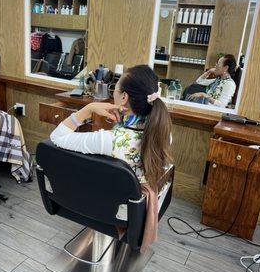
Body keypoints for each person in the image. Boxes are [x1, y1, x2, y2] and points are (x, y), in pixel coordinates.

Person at [50, 65, 172, 250]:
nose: (113, 91)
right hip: (134, 207)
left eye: (115, 87)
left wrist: (88, 108)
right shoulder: (162, 132)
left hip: (103, 206)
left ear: (124, 98)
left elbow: (57, 137)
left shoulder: (109, 140)